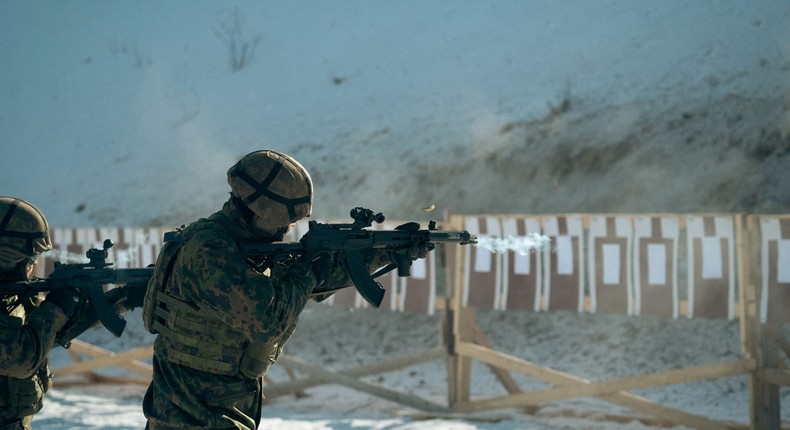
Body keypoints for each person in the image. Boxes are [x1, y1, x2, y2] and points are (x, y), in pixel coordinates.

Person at [141, 150, 427, 430]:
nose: (288, 229)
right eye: (282, 220)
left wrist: (384, 252)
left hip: (214, 408)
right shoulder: (211, 251)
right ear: (255, 208)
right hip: (193, 415)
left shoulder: (239, 244)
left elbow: (312, 283)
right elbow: (266, 322)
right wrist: (306, 273)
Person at [0, 196, 145, 430]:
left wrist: (124, 298)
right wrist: (57, 305)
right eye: (29, 259)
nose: (32, 266)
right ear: (6, 258)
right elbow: (21, 359)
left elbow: (53, 331)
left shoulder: (11, 297)